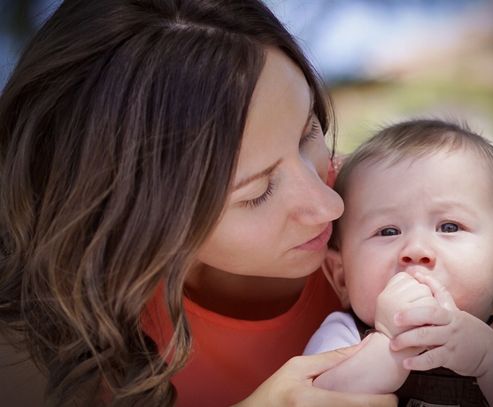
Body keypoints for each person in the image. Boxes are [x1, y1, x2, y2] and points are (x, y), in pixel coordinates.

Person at [0, 0, 399, 406]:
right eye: (257, 192)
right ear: (136, 217)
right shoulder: (44, 330)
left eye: (307, 133)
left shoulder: (401, 217)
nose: (330, 205)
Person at [304, 119, 493, 406]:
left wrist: (490, 359)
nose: (415, 250)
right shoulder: (343, 337)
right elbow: (311, 398)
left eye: (449, 227)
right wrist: (389, 344)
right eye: (388, 231)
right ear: (341, 276)